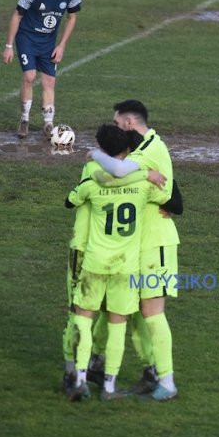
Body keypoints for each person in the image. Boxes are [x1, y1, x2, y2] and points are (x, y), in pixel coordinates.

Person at [64, 124, 170, 402]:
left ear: (101, 150)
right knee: (118, 325)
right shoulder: (142, 184)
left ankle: (79, 379)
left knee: (84, 320)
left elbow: (71, 199)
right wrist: (148, 174)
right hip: (126, 267)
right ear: (126, 151)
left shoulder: (92, 181)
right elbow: (169, 199)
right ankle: (110, 388)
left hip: (95, 263)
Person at [88, 99, 183, 401]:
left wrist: (91, 154)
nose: (115, 129)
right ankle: (148, 371)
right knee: (135, 313)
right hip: (139, 245)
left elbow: (117, 171)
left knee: (152, 314)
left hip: (157, 244)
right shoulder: (146, 147)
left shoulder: (150, 150)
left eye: (116, 124)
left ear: (129, 123)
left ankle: (167, 382)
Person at [2, 0, 82, 139]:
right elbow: (17, 15)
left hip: (48, 42)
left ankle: (48, 124)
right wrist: (9, 46)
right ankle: (24, 120)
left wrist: (61, 46)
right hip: (27, 38)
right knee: (29, 77)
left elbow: (72, 17)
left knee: (49, 81)